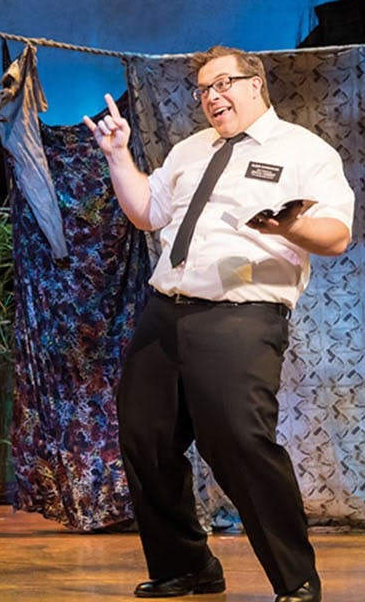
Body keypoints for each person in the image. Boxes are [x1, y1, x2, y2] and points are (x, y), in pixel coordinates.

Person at [84, 45, 352, 602]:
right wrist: (117, 156)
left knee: (238, 441)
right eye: (204, 89)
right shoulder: (189, 150)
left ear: (256, 84)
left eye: (224, 83)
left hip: (243, 315)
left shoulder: (303, 151)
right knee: (145, 438)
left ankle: (295, 578)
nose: (213, 97)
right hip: (166, 311)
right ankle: (187, 566)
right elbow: (146, 213)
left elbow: (337, 235)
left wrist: (289, 229)